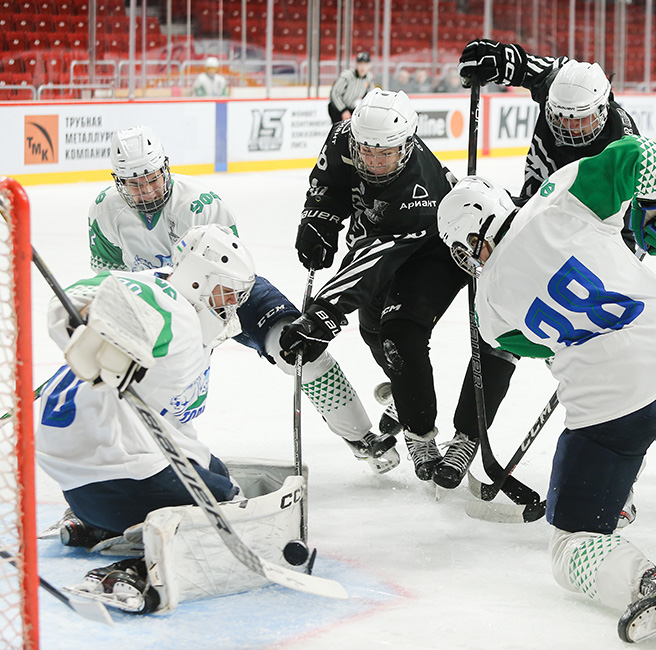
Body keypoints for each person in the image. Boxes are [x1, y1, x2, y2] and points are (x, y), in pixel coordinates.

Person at [435, 135, 656, 643]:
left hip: (615, 411)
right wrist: (655, 205)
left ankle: (650, 580)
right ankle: (619, 498)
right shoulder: (559, 193)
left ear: (469, 244)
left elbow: (537, 346)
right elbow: (643, 156)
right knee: (638, 413)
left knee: (568, 546)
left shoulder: (489, 314)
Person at [453, 38, 656, 489]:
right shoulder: (561, 84)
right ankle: (467, 436)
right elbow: (526, 65)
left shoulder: (621, 137)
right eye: (561, 121)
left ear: (605, 105)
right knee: (493, 335)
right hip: (530, 223)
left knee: (619, 332)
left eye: (583, 121)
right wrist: (499, 58)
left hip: (591, 233)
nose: (571, 131)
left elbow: (644, 199)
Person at [87, 124, 396, 475]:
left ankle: (361, 437)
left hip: (228, 293)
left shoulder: (201, 204)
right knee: (157, 385)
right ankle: (152, 460)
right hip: (162, 308)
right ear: (118, 181)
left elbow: (228, 276)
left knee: (297, 347)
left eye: (153, 178)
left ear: (165, 167)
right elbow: (108, 281)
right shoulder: (104, 212)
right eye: (135, 183)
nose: (147, 190)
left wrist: (199, 327)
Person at [36, 225, 254, 611]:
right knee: (224, 504)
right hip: (114, 476)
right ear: (199, 278)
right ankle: (134, 568)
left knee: (217, 473)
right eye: (225, 293)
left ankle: (92, 525)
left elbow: (72, 299)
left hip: (82, 482)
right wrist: (98, 325)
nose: (229, 306)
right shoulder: (175, 308)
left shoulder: (145, 282)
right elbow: (90, 304)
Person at [281, 89, 470, 484]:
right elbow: (328, 185)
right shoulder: (343, 138)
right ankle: (407, 394)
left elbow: (374, 258)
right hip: (377, 243)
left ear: (406, 144)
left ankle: (421, 434)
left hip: (432, 251)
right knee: (372, 332)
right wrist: (319, 220)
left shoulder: (418, 187)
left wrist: (324, 314)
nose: (375, 162)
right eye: (367, 152)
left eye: (386, 154)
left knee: (400, 335)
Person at [329, 51, 375, 124]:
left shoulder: (369, 77)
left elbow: (369, 95)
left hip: (353, 109)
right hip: (338, 109)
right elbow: (335, 93)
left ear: (369, 65)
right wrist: (343, 110)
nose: (362, 67)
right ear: (356, 64)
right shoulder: (347, 76)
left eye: (365, 64)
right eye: (360, 64)